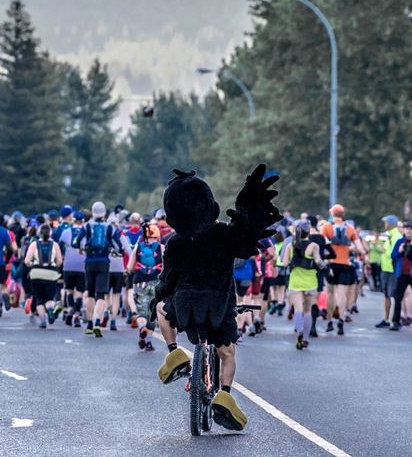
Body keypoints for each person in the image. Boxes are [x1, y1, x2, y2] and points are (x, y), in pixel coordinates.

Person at [154, 165, 281, 432]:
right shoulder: (223, 233)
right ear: (211, 207)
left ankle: (174, 353)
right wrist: (252, 207)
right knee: (227, 352)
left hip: (185, 303)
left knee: (161, 309)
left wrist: (160, 295)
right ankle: (224, 394)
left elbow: (168, 278)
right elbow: (246, 237)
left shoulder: (175, 243)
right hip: (220, 304)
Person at [78, 202, 123, 337]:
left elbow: (78, 242)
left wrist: (83, 249)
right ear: (104, 213)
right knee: (101, 295)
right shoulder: (109, 227)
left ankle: (89, 324)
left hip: (89, 261)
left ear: (92, 212)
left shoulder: (86, 226)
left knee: (90, 293)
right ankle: (98, 321)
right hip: (104, 262)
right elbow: (118, 245)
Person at [285, 221, 327, 350]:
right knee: (308, 310)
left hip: (295, 281)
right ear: (308, 232)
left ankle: (299, 331)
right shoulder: (313, 246)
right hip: (310, 281)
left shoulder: (290, 245)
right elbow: (318, 261)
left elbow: (285, 263)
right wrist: (326, 268)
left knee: (298, 309)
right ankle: (306, 338)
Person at [321, 204, 361, 335]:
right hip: (345, 264)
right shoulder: (349, 228)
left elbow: (322, 243)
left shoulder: (326, 227)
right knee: (342, 294)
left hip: (331, 263)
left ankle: (329, 321)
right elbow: (360, 248)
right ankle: (341, 320)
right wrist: (349, 248)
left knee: (330, 293)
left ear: (332, 214)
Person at [24, 224, 63, 329]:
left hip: (36, 273)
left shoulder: (34, 244)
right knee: (50, 297)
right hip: (51, 274)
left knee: (39, 298)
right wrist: (54, 266)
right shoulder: (55, 245)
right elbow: (59, 261)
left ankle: (42, 320)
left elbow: (26, 261)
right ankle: (50, 310)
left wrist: (32, 265)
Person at [389, 221, 412, 332]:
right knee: (398, 298)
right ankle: (395, 321)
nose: (408, 231)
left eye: (410, 229)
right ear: (403, 230)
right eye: (406, 228)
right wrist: (400, 251)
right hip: (402, 273)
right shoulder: (400, 241)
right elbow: (393, 255)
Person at [375, 215, 402, 328]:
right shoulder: (389, 235)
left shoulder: (396, 236)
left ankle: (395, 320)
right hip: (385, 268)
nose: (385, 225)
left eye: (386, 223)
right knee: (386, 295)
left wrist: (384, 250)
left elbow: (395, 253)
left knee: (393, 295)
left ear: (391, 224)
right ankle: (386, 319)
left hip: (392, 270)